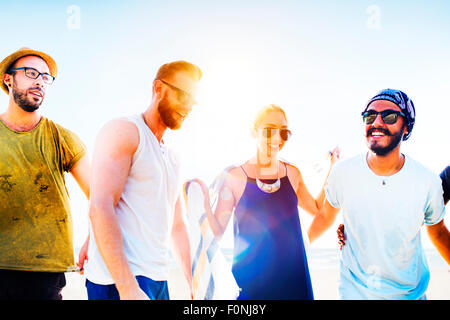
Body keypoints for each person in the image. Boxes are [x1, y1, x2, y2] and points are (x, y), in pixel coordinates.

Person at [308, 89, 447, 299]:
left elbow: (436, 231)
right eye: (370, 116)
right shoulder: (343, 172)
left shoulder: (428, 182)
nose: (377, 122)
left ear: (406, 127)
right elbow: (326, 216)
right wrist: (295, 254)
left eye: (389, 116)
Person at [83, 60, 202, 300]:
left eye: (193, 100)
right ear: (158, 89)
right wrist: (127, 288)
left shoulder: (173, 156)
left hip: (158, 278)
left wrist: (192, 282)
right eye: (183, 96)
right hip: (118, 282)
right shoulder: (124, 131)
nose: (188, 106)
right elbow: (101, 206)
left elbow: (177, 224)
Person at [194, 104, 339, 300]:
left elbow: (316, 208)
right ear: (254, 131)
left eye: (284, 133)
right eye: (270, 130)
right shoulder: (235, 177)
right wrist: (201, 201)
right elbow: (216, 232)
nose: (277, 139)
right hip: (251, 282)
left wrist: (333, 168)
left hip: (294, 277)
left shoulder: (292, 174)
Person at [0, 48, 90, 300]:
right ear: (9, 79)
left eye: (46, 77)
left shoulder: (63, 138)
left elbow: (102, 195)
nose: (40, 80)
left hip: (45, 274)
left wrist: (93, 239)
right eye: (31, 73)